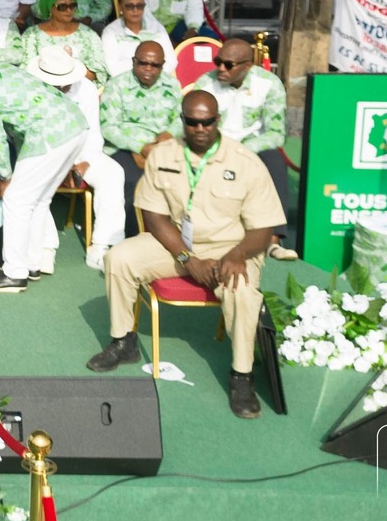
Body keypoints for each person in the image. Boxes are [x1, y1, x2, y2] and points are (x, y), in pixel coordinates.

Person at [86, 90, 281, 418]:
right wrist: (186, 260)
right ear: (183, 121)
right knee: (118, 258)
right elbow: (155, 218)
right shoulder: (163, 155)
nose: (200, 128)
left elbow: (264, 228)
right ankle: (123, 342)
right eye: (192, 122)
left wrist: (236, 256)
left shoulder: (246, 161)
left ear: (217, 121)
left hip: (232, 247)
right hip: (177, 244)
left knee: (243, 291)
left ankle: (242, 376)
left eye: (207, 122)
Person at [0, 47, 87, 293]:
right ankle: (31, 264)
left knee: (15, 199)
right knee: (39, 200)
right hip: (75, 125)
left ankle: (13, 273)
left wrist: (5, 176)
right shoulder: (0, 67)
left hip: (48, 134)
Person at [186, 38, 294, 246]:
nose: (221, 69)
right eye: (218, 61)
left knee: (275, 162)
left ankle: (273, 238)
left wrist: (241, 150)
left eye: (228, 64)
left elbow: (276, 133)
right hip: (212, 144)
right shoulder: (206, 83)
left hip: (252, 146)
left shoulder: (269, 84)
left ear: (247, 66)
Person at [29, 43, 125, 271]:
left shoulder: (87, 88)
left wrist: (84, 161)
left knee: (113, 172)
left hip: (82, 153)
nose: (64, 84)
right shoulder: (31, 90)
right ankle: (45, 246)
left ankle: (103, 245)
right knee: (32, 181)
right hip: (42, 153)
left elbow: (92, 132)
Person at [98, 40, 184, 234]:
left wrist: (169, 135)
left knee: (180, 177)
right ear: (133, 61)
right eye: (142, 63)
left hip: (163, 146)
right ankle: (132, 236)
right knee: (133, 181)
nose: (148, 69)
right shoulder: (116, 85)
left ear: (162, 65)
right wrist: (140, 147)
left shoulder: (172, 84)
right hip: (123, 148)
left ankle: (177, 235)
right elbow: (108, 127)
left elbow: (180, 119)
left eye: (155, 65)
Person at [16, 0, 107, 85]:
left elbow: (98, 72)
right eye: (62, 6)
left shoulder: (87, 33)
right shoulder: (32, 34)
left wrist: (69, 69)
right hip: (42, 89)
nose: (69, 10)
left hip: (80, 88)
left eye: (72, 5)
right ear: (51, 8)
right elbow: (27, 70)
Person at [100, 0, 172, 78]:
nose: (135, 10)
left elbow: (170, 61)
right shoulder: (110, 32)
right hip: (124, 82)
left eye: (139, 6)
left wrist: (152, 78)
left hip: (156, 80)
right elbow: (111, 67)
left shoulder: (156, 28)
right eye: (130, 6)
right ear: (120, 7)